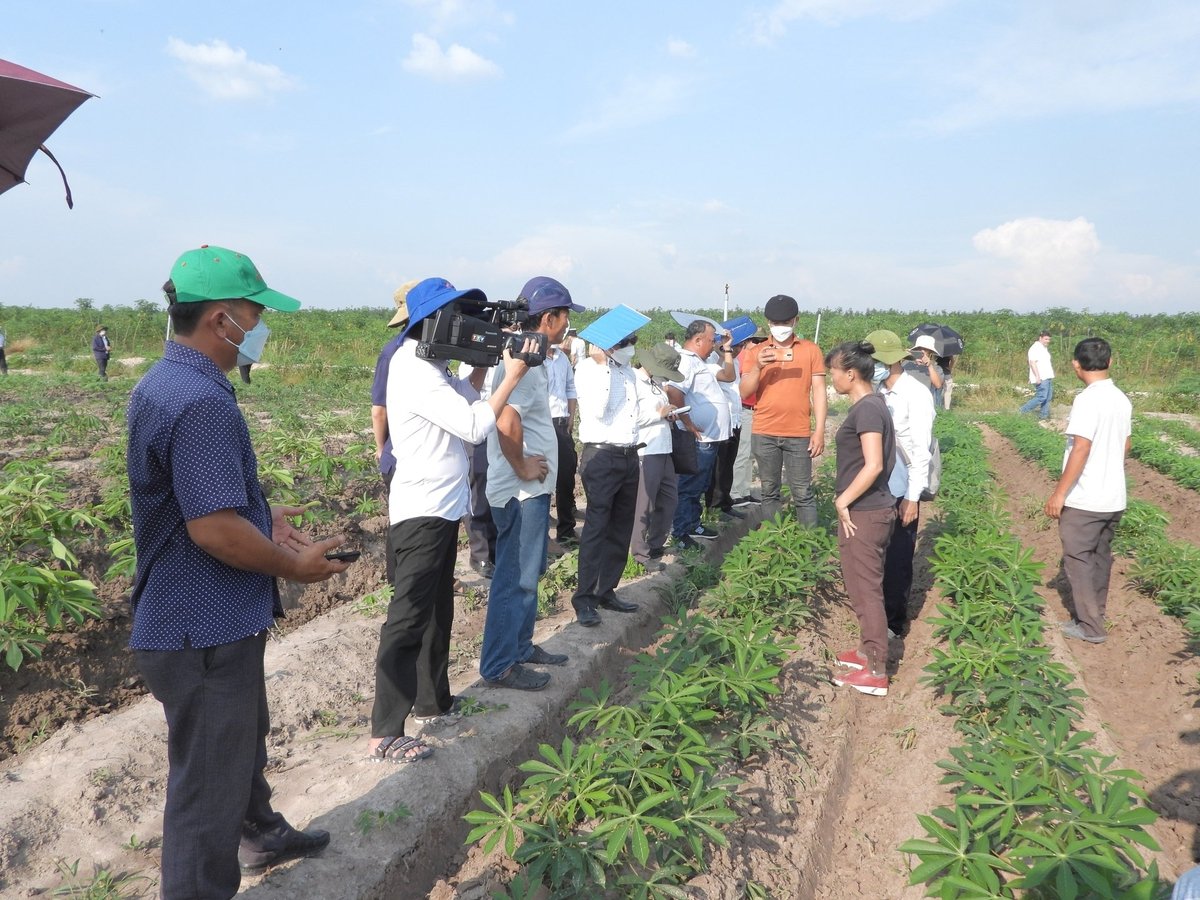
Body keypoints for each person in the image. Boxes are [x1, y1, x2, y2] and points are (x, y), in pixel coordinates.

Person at [127, 245, 351, 896]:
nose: (260, 328)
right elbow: (213, 529)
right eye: (255, 315)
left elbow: (199, 503)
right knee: (205, 793)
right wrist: (293, 566)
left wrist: (259, 516)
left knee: (240, 739)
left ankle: (259, 832)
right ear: (221, 320)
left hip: (207, 620)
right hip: (202, 628)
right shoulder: (200, 401)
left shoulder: (164, 382)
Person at [371, 277, 533, 761]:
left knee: (438, 610)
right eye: (458, 317)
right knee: (408, 617)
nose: (465, 326)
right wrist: (512, 375)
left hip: (443, 506)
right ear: (431, 322)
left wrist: (483, 367)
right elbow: (474, 425)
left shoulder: (433, 365)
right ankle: (385, 731)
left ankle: (432, 700)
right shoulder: (412, 367)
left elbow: (466, 396)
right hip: (421, 509)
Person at [480, 276, 583, 691]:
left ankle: (520, 647)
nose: (568, 324)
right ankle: (499, 664)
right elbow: (507, 419)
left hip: (531, 491)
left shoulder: (532, 355)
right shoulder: (519, 358)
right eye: (565, 316)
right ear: (549, 317)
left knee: (529, 572)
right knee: (515, 578)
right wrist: (522, 466)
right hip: (519, 492)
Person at [1044, 337, 1131, 645]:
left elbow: (1081, 447)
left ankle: (1091, 627)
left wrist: (1059, 493)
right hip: (1113, 497)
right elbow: (1126, 445)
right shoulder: (1120, 398)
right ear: (1110, 362)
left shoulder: (1087, 400)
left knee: (1078, 559)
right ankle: (1095, 615)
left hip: (1086, 498)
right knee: (1100, 557)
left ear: (1076, 365)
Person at [826, 340, 896, 697]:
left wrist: (844, 500)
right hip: (866, 511)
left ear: (850, 374)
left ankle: (876, 670)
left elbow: (874, 465)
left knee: (867, 590)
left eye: (834, 372)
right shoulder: (872, 404)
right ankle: (867, 649)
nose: (832, 378)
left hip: (865, 513)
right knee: (859, 584)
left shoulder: (868, 409)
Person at [571, 326, 650, 626]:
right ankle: (584, 599)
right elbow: (598, 409)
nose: (631, 347)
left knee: (621, 527)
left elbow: (632, 414)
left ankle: (606, 590)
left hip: (628, 454)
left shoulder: (628, 372)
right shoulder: (588, 369)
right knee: (597, 528)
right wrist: (603, 367)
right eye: (626, 342)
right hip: (602, 456)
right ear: (609, 345)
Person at [867, 330, 935, 638]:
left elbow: (921, 450)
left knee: (898, 555)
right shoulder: (877, 391)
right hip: (878, 485)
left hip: (903, 485)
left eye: (875, 361)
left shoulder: (915, 393)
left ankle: (893, 622)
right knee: (877, 553)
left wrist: (912, 497)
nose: (872, 366)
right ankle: (875, 613)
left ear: (892, 362)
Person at [739, 294, 826, 525]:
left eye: (785, 322)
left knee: (803, 492)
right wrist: (758, 366)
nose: (780, 327)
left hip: (798, 433)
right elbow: (745, 392)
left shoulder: (810, 350)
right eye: (775, 323)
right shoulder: (755, 352)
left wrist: (819, 431)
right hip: (764, 432)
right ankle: (774, 537)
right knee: (769, 491)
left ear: (796, 320)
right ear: (768, 323)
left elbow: (819, 391)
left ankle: (809, 541)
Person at [666, 320, 735, 546]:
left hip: (709, 437)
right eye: (711, 340)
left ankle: (693, 523)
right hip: (698, 437)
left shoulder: (701, 361)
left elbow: (729, 376)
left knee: (699, 484)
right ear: (697, 340)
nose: (713, 344)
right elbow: (674, 392)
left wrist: (726, 350)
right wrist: (688, 423)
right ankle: (680, 531)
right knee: (689, 485)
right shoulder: (686, 361)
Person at [370, 280, 418, 586]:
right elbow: (379, 409)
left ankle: (400, 582)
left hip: (406, 450)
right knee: (404, 521)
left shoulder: (402, 350)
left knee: (406, 519)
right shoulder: (395, 353)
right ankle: (397, 582)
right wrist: (380, 448)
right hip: (399, 452)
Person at [630, 343, 683, 570]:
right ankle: (639, 554)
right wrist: (658, 414)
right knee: (644, 504)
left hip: (663, 448)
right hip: (646, 449)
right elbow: (631, 417)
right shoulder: (634, 382)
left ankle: (655, 544)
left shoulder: (656, 383)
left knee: (669, 499)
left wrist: (668, 415)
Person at [705, 331, 748, 521]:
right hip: (720, 420)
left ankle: (725, 502)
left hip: (735, 419)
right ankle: (714, 506)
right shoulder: (711, 361)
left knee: (728, 463)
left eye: (740, 346)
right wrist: (723, 355)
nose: (736, 350)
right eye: (733, 346)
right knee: (718, 465)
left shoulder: (735, 362)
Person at [547, 330, 579, 546]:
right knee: (540, 479)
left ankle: (566, 530)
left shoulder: (562, 358)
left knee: (566, 477)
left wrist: (571, 417)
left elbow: (570, 387)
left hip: (561, 422)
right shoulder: (534, 359)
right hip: (541, 423)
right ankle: (542, 536)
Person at [1019, 329, 1055, 419]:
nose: (1048, 341)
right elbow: (1032, 362)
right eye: (1046, 339)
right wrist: (1036, 377)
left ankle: (1043, 416)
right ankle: (1022, 411)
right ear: (1040, 338)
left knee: (1047, 397)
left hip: (1047, 376)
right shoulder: (1035, 348)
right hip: (1041, 377)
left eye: (1049, 339)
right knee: (1041, 397)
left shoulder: (1044, 348)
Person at [903, 335, 944, 406]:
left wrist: (929, 366)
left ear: (930, 351)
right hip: (905, 400)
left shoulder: (936, 367)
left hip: (924, 403)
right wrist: (903, 356)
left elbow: (938, 385)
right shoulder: (906, 363)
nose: (922, 351)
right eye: (919, 348)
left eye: (925, 349)